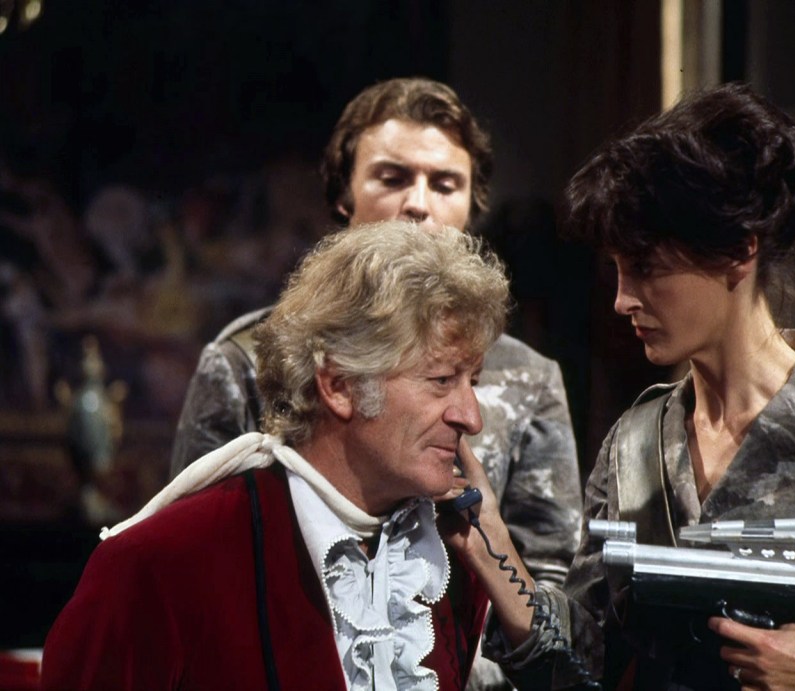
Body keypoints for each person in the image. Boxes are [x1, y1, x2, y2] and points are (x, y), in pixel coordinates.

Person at [450, 83, 795, 689]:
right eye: (616, 270)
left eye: (645, 268)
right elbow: (579, 665)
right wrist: (489, 536)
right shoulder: (636, 442)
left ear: (737, 252)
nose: (622, 299)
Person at [42, 221, 510, 690]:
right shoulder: (161, 564)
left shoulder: (444, 567)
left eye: (472, 382)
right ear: (339, 386)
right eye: (441, 380)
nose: (471, 418)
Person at [170, 77, 583, 594]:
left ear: (472, 207)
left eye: (445, 185)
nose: (418, 204)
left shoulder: (528, 377)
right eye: (392, 178)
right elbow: (191, 555)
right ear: (345, 197)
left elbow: (553, 582)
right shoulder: (245, 360)